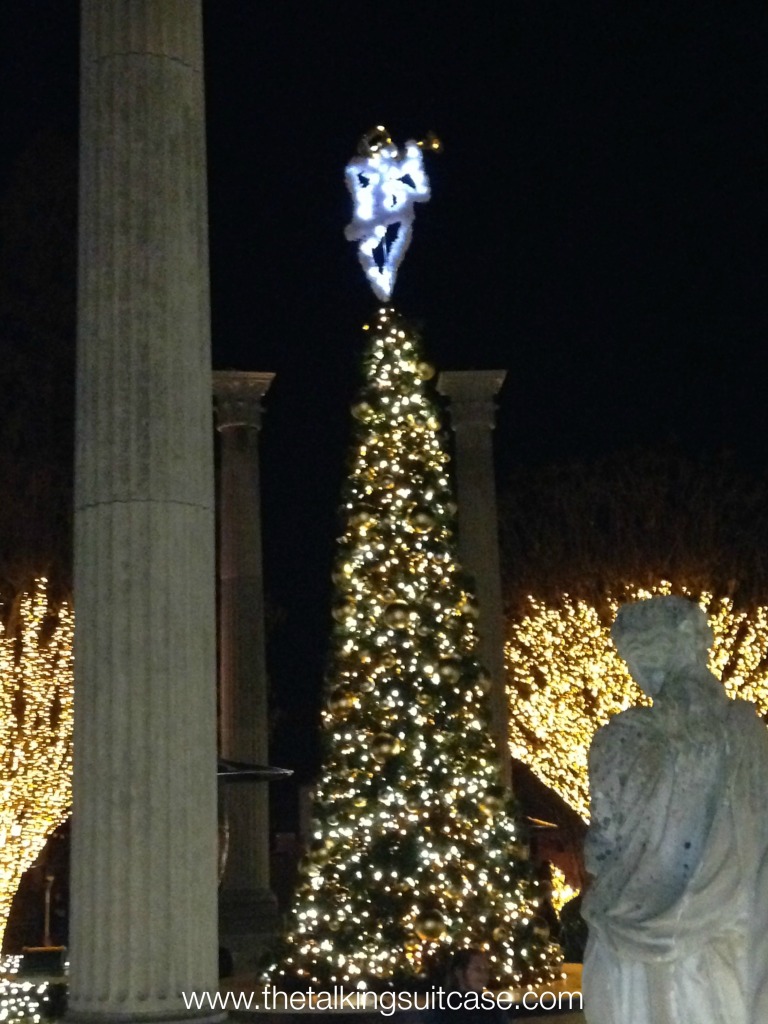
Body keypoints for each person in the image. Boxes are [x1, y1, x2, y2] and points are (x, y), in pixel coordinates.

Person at [582, 595, 768, 1024]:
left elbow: (603, 844)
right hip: (730, 947)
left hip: (634, 952)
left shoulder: (624, 740)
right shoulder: (746, 732)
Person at [424, 948, 512, 1024]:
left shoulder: (492, 1008)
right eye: (478, 969)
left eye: (486, 970)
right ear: (459, 972)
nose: (484, 975)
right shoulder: (441, 1009)